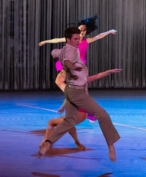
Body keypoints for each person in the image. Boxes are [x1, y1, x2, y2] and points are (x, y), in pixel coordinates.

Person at [37, 27, 121, 162]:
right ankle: (111, 146)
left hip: (71, 91)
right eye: (75, 39)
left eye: (79, 37)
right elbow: (68, 62)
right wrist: (72, 67)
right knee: (103, 115)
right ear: (68, 40)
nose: (78, 40)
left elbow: (55, 52)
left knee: (69, 121)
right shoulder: (70, 51)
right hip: (78, 93)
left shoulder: (66, 49)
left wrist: (107, 72)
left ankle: (48, 143)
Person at [39, 15, 116, 111]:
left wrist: (109, 31)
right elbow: (57, 39)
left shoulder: (86, 41)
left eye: (84, 30)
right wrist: (45, 41)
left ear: (86, 32)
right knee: (61, 82)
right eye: (80, 29)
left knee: (80, 89)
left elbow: (99, 36)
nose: (82, 32)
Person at [40, 69, 122, 150]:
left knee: (52, 123)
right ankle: (76, 143)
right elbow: (64, 89)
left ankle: (46, 142)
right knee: (68, 126)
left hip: (80, 113)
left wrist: (108, 72)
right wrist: (63, 107)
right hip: (79, 113)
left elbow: (58, 82)